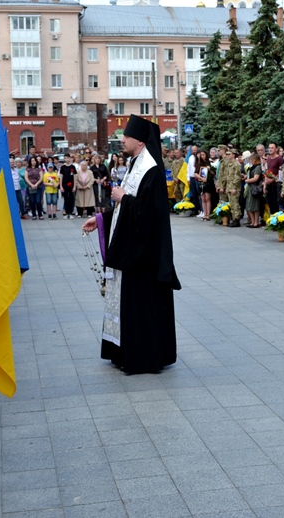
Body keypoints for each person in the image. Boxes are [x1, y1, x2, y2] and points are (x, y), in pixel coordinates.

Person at [82, 115, 181, 374]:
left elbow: (150, 215)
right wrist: (101, 219)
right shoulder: (135, 164)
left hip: (144, 256)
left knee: (142, 306)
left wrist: (123, 198)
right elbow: (125, 207)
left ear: (140, 141)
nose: (122, 140)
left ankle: (144, 357)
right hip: (133, 250)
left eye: (126, 137)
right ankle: (124, 352)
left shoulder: (151, 170)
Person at [244, 153, 264, 228]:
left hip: (255, 188)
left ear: (255, 160)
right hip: (250, 187)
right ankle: (252, 222)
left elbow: (256, 178)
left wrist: (247, 180)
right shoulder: (252, 167)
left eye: (251, 160)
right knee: (249, 206)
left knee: (255, 206)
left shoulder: (258, 167)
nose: (250, 161)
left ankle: (256, 222)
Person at [264, 143, 284, 214]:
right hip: (269, 185)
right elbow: (267, 171)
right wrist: (265, 184)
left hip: (276, 185)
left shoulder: (279, 159)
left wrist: (272, 179)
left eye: (272, 148)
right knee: (270, 204)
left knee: (276, 204)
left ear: (276, 149)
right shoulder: (269, 159)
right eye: (269, 148)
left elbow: (281, 173)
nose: (270, 149)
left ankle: (277, 218)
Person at [196, 151, 214, 220]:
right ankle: (204, 214)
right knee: (203, 199)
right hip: (201, 182)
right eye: (201, 155)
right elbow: (195, 173)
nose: (202, 156)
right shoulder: (199, 164)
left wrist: (210, 169)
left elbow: (214, 174)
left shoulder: (210, 163)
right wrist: (201, 178)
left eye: (203, 154)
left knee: (207, 198)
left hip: (208, 182)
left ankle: (208, 214)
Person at [59, 154, 77, 219]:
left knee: (71, 199)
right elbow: (61, 177)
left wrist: (74, 186)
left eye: (68, 158)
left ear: (70, 158)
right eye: (65, 158)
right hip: (65, 185)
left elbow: (74, 177)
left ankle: (71, 212)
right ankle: (66, 212)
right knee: (66, 199)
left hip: (71, 185)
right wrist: (61, 186)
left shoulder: (73, 167)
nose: (67, 159)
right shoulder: (63, 167)